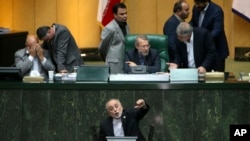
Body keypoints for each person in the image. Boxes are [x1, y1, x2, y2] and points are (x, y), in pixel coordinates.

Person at [189, 0, 229, 72]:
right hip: (203, 50)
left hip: (217, 49)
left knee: (217, 78)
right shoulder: (195, 9)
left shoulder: (217, 11)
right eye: (195, 3)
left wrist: (204, 39)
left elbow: (217, 30)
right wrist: (187, 28)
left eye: (198, 3)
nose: (196, 5)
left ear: (206, 1)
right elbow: (193, 22)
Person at [98, 3, 130, 74]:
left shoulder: (126, 25)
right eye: (122, 14)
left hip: (125, 61)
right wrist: (109, 59)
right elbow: (102, 48)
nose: (125, 16)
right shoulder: (110, 28)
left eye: (126, 13)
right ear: (115, 15)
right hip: (114, 63)